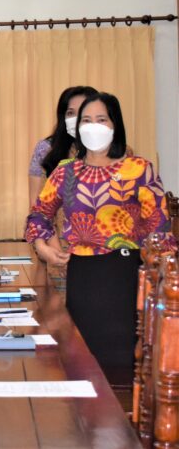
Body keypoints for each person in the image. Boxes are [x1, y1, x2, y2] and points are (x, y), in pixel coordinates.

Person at [25, 91, 172, 384]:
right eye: (87, 120)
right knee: (82, 362)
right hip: (82, 274)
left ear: (115, 124)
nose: (93, 126)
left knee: (121, 365)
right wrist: (43, 246)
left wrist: (163, 280)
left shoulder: (139, 169)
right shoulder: (66, 172)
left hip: (126, 274)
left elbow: (160, 226)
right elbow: (39, 214)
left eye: (101, 119)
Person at [28, 85, 98, 205]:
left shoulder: (117, 152)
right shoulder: (46, 148)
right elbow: (35, 203)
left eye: (83, 111)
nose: (77, 118)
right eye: (70, 113)